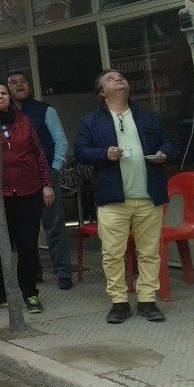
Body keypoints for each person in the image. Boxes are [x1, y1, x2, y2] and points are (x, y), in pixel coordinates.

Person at [75, 69, 172, 325]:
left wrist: (163, 153)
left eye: (121, 77)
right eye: (111, 78)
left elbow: (168, 141)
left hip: (148, 196)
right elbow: (81, 151)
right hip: (113, 197)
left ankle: (147, 300)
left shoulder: (147, 116)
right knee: (112, 253)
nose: (119, 80)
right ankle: (119, 302)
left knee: (149, 252)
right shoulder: (91, 121)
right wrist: (104, 154)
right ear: (102, 93)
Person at [0, 82, 55, 314]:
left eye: (4, 93)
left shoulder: (24, 121)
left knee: (27, 245)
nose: (0, 97)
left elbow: (38, 153)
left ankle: (30, 293)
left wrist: (47, 184)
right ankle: (1, 292)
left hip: (28, 191)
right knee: (0, 245)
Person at [7, 71, 73, 290]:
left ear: (30, 86)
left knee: (54, 226)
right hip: (19, 180)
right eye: (13, 83)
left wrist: (53, 170)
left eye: (22, 81)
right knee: (25, 229)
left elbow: (60, 142)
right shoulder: (3, 115)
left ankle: (63, 273)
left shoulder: (46, 111)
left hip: (46, 178)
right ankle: (33, 272)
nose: (19, 85)